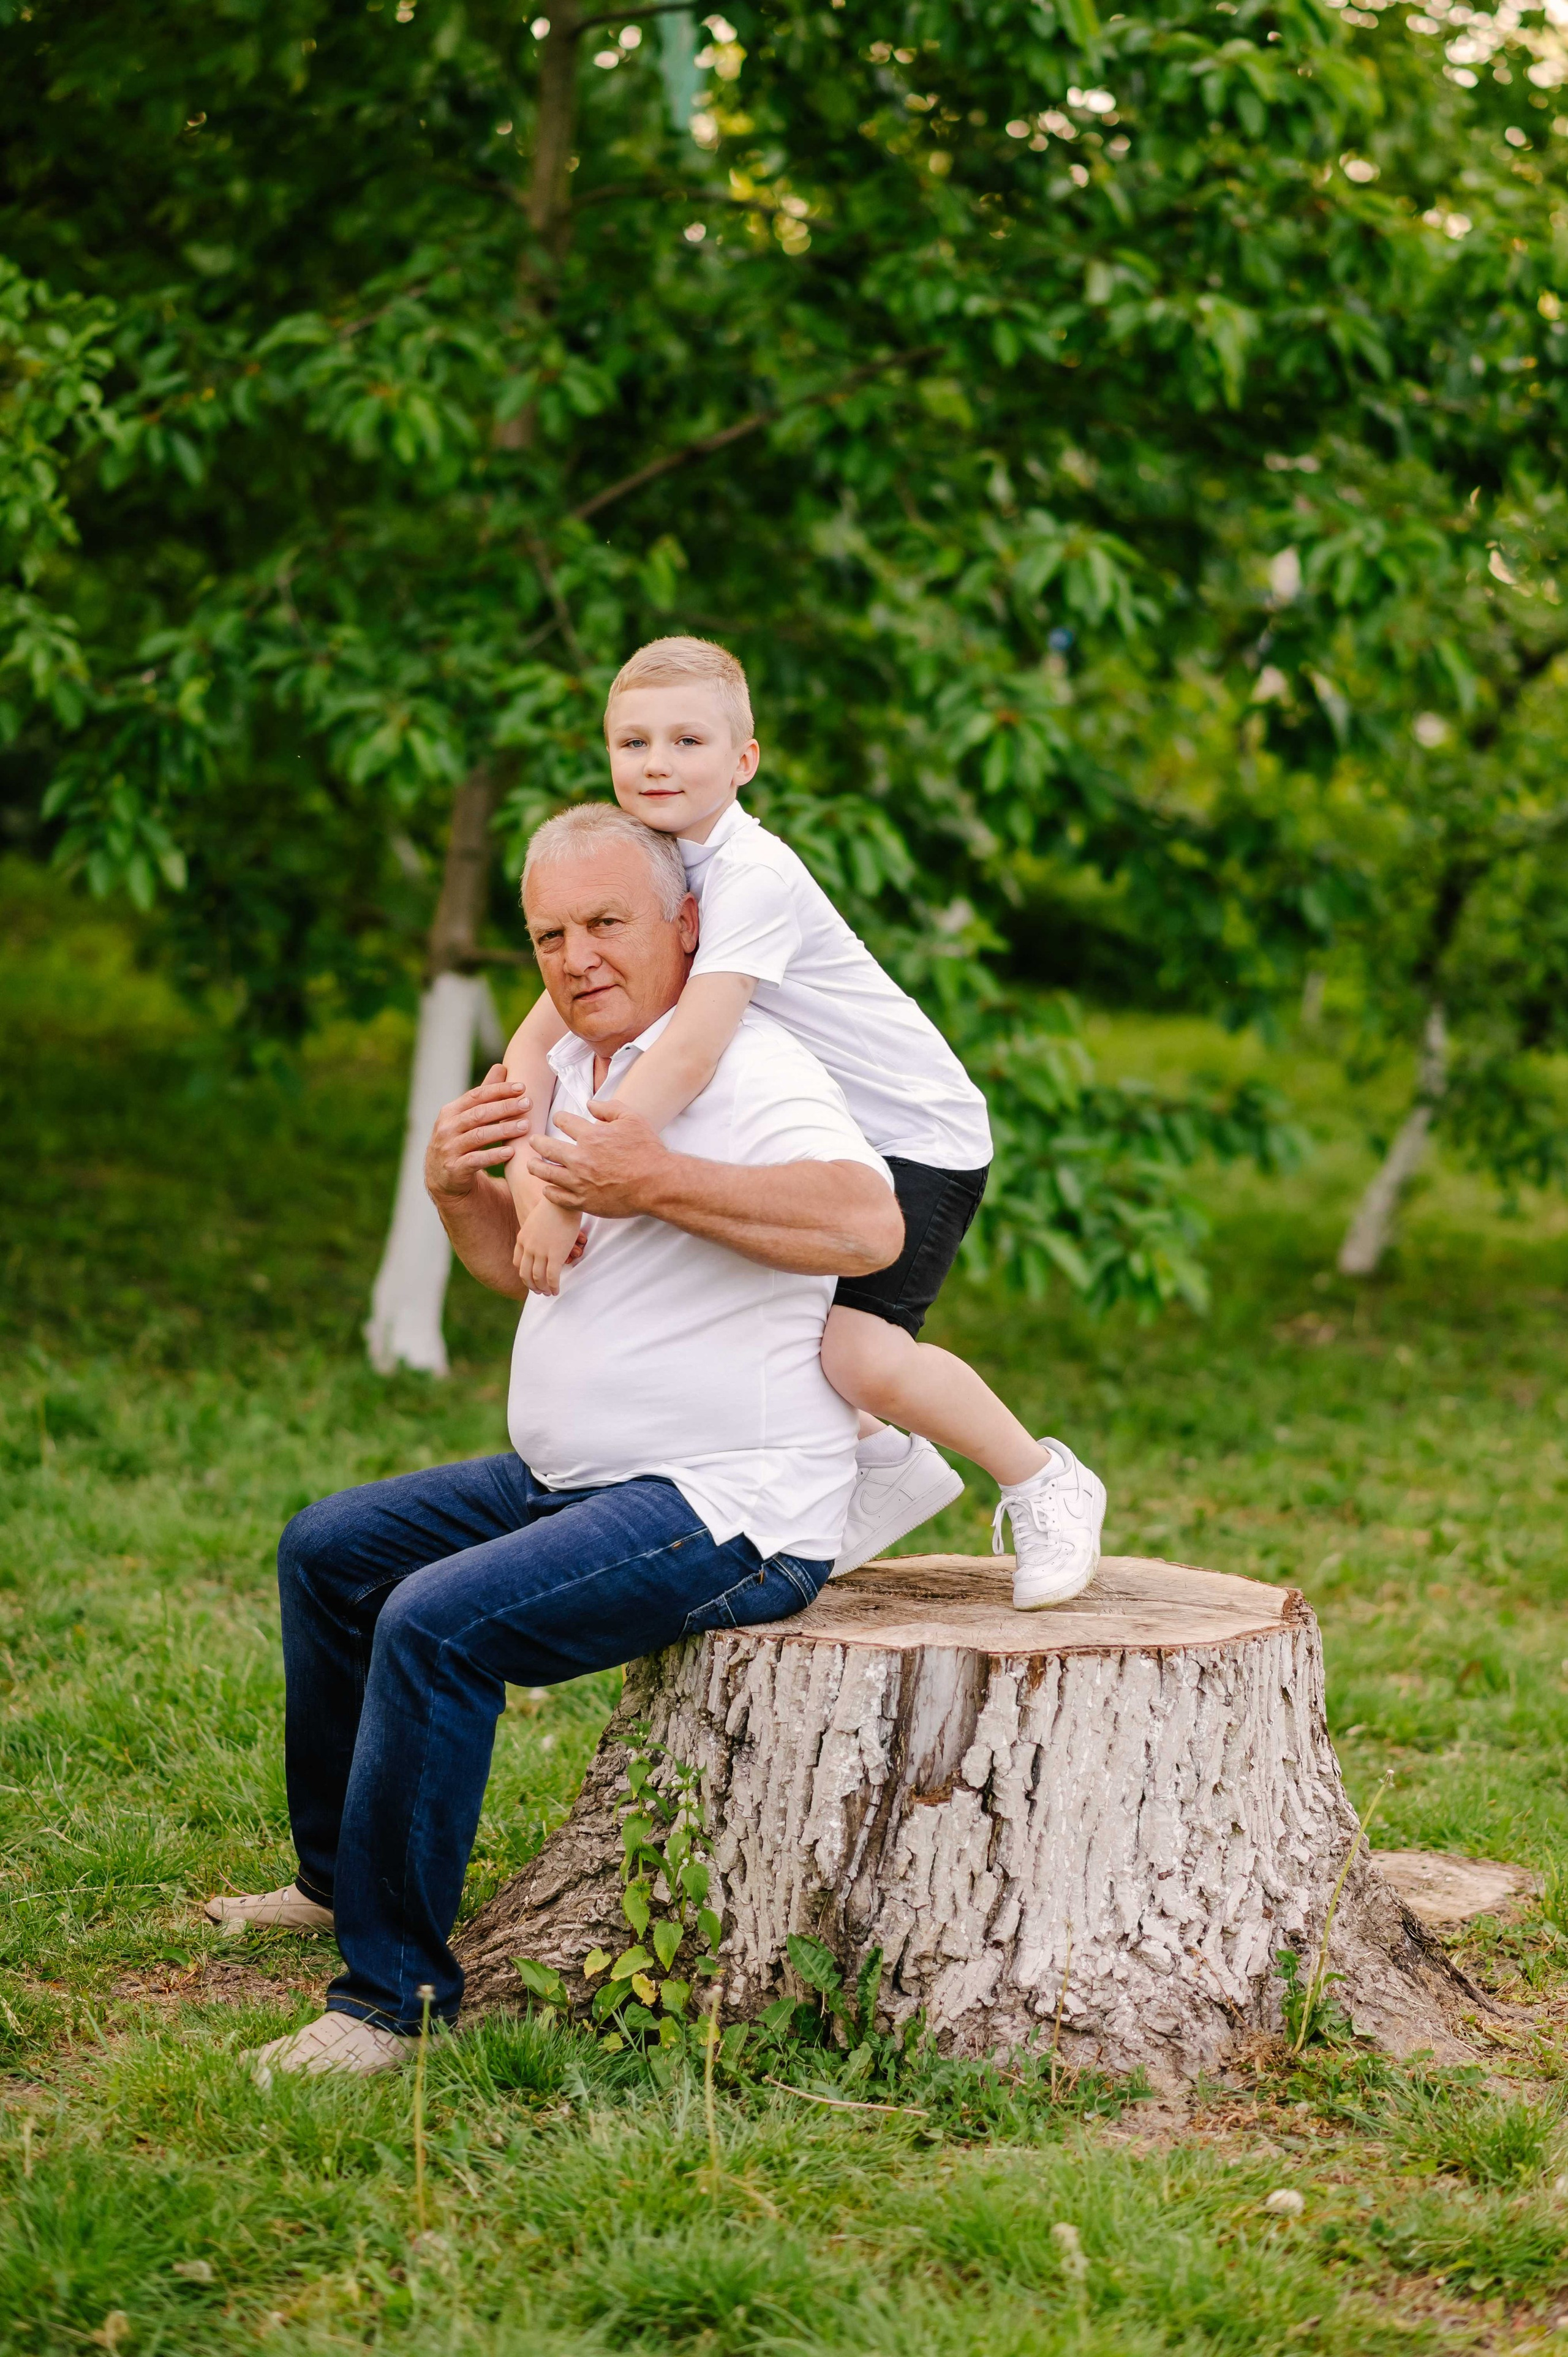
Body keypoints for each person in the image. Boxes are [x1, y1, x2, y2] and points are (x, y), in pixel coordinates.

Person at [206, 806, 902, 2081]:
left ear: (686, 926)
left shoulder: (750, 1069)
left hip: (732, 1506)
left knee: (436, 1623)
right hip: (574, 1480)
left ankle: (386, 2002)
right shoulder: (580, 1072)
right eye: (548, 934)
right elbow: (525, 1275)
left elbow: (868, 1224)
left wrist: (656, 1179)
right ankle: (331, 1877)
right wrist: (456, 1188)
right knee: (330, 1551)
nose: (575, 956)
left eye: (605, 924)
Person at [503, 636, 1106, 1611]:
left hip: (915, 1133)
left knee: (856, 1354)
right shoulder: (647, 864)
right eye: (634, 742)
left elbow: (691, 1051)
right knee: (776, 1332)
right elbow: (538, 1037)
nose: (658, 764)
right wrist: (522, 1142)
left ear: (743, 762)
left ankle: (1040, 1477)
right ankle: (881, 1469)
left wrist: (579, 1190)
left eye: (688, 740)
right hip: (831, 1131)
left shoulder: (752, 875)